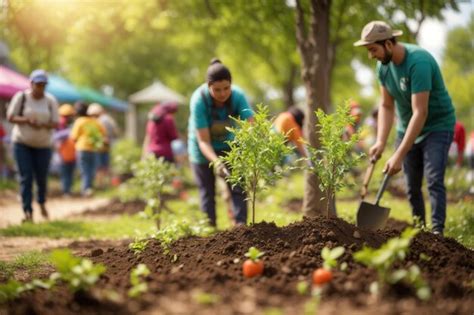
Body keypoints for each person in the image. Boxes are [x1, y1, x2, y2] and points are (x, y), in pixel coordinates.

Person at [354, 21, 455, 235]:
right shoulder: (383, 67)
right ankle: (420, 230)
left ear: (389, 44)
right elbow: (386, 106)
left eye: (373, 49)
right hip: (406, 127)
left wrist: (398, 154)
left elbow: (421, 112)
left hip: (437, 126)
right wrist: (381, 141)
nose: (371, 55)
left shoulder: (418, 62)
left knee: (434, 179)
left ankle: (437, 233)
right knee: (411, 186)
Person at [187, 59, 254, 227]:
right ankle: (210, 230)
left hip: (229, 146)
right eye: (217, 90)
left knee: (238, 185)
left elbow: (251, 126)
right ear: (208, 86)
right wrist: (216, 162)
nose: (223, 94)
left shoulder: (238, 96)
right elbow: (203, 141)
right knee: (207, 191)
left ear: (231, 84)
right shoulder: (199, 101)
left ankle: (240, 226)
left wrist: (251, 151)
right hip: (201, 149)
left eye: (226, 88)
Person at [6, 69, 59, 222]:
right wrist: (27, 121)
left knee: (41, 177)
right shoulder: (21, 97)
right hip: (22, 143)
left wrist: (43, 124)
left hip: (43, 145)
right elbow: (11, 117)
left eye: (43, 85)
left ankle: (41, 202)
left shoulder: (50, 101)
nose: (40, 87)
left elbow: (56, 123)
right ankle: (27, 211)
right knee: (26, 177)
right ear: (31, 84)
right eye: (38, 84)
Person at [70, 102, 106, 197]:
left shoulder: (79, 121)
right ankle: (89, 188)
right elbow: (103, 134)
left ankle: (86, 189)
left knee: (85, 170)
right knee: (92, 169)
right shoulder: (95, 122)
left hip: (82, 148)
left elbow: (74, 137)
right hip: (93, 149)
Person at [89, 103, 119, 188]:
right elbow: (115, 132)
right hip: (106, 146)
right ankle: (106, 185)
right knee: (105, 167)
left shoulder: (100, 120)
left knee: (99, 167)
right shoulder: (108, 119)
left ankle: (101, 185)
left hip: (99, 147)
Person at [53, 104, 76, 196]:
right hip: (63, 150)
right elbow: (57, 138)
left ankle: (67, 189)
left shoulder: (64, 123)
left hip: (67, 149)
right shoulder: (61, 123)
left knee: (67, 170)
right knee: (66, 171)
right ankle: (66, 190)